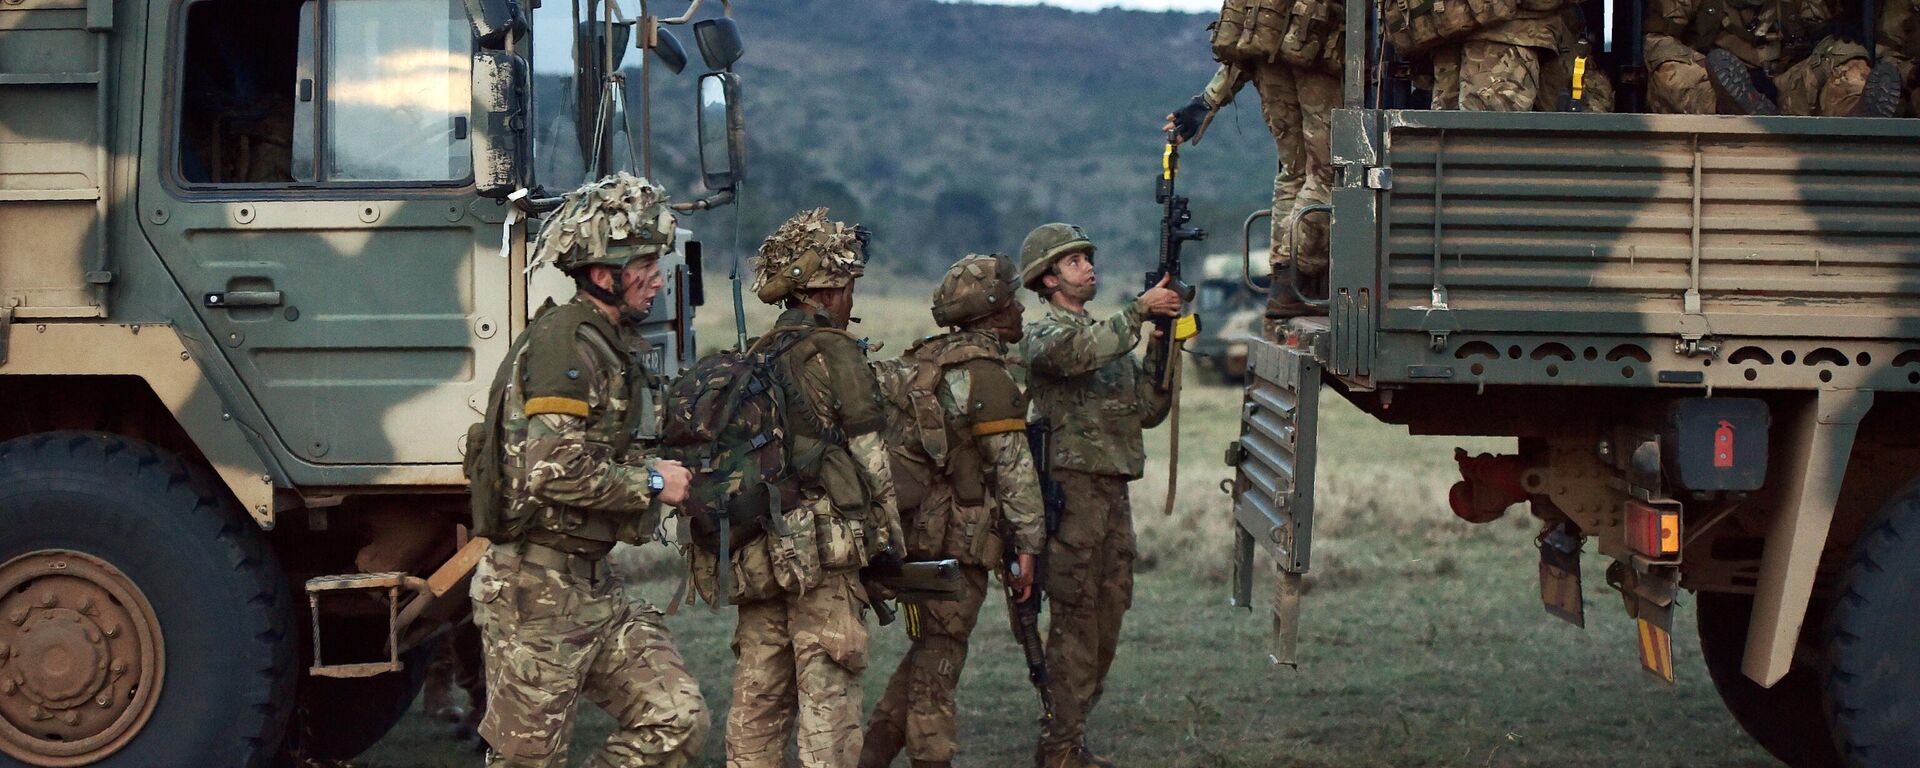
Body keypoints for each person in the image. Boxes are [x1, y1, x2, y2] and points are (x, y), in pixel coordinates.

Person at [467, 173, 707, 768]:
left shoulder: (605, 341)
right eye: (646, 263)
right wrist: (652, 482)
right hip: (535, 592)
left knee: (676, 717)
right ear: (604, 274)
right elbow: (548, 468)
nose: (658, 276)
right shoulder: (565, 345)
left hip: (590, 587)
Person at [720, 207, 905, 768]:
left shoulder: (750, 356)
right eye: (847, 287)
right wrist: (892, 544)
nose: (851, 300)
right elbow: (871, 458)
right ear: (826, 290)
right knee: (829, 696)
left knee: (758, 698)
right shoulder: (837, 351)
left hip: (756, 550)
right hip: (822, 558)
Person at [859, 254, 1048, 768]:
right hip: (954, 544)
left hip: (911, 535)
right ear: (993, 311)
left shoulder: (927, 357)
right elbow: (1013, 470)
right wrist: (1029, 547)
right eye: (1012, 300)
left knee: (930, 649)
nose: (1021, 311)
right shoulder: (985, 374)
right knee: (938, 664)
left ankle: (870, 755)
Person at [1016, 223, 1180, 768]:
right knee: (1077, 620)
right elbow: (1073, 355)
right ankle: (1059, 747)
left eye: (1088, 257)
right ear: (1048, 278)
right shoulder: (1045, 334)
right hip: (1074, 493)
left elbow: (1147, 412)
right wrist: (1137, 312)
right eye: (1074, 261)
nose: (1088, 266)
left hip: (1112, 494)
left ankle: (1071, 738)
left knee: (1107, 617)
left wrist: (1162, 349)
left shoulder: (1107, 335)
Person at [1165, 0, 1343, 325]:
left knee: (1294, 173)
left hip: (1271, 61)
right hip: (1316, 57)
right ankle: (1296, 281)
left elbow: (1256, 36)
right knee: (1325, 174)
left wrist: (1207, 100)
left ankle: (1283, 280)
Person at [1644, 0, 1902, 116]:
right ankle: (1727, 105)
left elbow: (1824, 35)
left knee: (1845, 53)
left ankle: (1855, 109)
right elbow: (1655, 40)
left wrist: (1835, 33)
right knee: (1669, 71)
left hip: (1783, 89)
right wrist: (1703, 64)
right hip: (1712, 82)